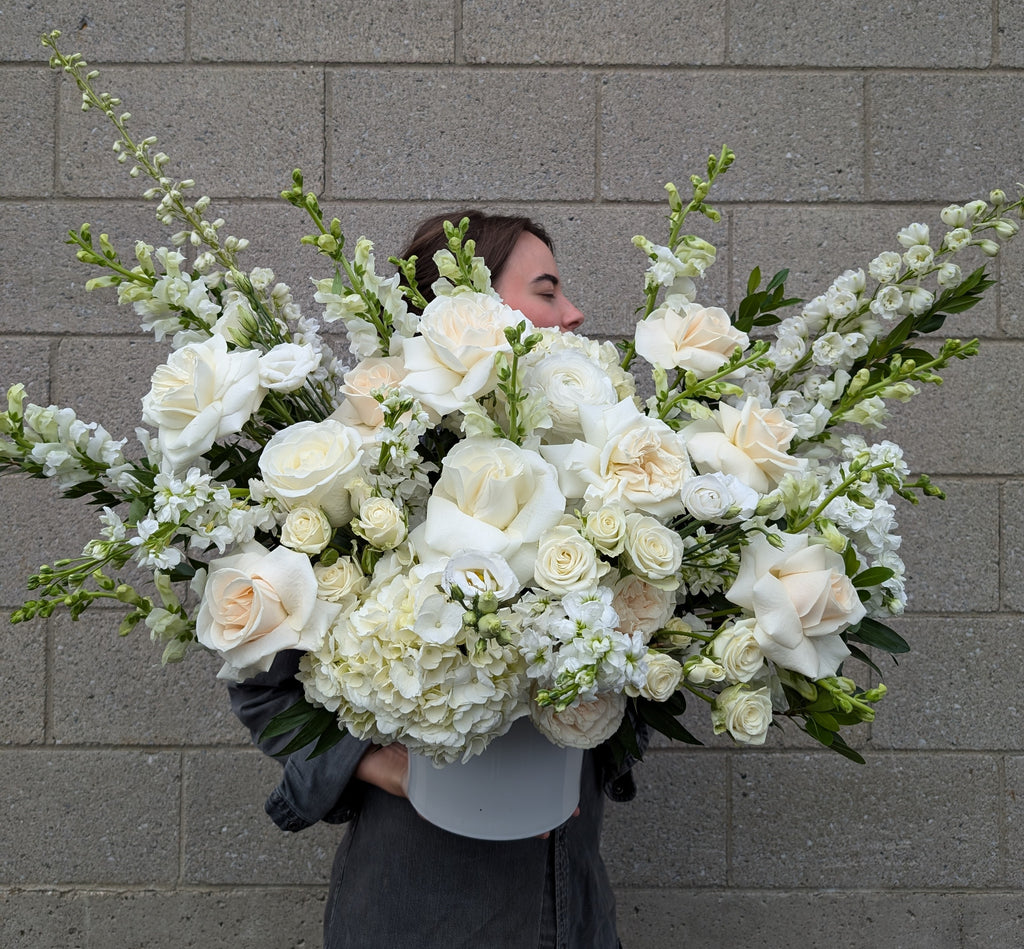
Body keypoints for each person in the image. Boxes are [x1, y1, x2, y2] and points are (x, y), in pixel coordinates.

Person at [228, 211, 642, 949]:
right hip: (417, 911)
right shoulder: (364, 483)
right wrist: (381, 767)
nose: (573, 312)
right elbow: (261, 681)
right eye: (547, 291)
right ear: (474, 312)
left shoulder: (607, 479)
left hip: (573, 908)